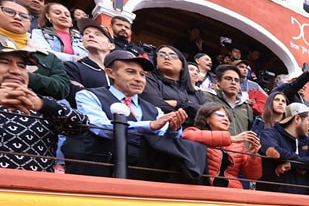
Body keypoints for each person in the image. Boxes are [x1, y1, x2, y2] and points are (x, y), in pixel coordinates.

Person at [71, 50, 191, 177]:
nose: (139, 79)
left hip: (144, 174)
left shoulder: (154, 110)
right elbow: (99, 127)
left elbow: (164, 141)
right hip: (100, 171)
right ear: (110, 73)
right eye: (130, 72)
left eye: (142, 74)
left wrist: (173, 129)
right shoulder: (89, 95)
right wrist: (149, 126)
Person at [0, 38, 87, 171]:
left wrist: (43, 105)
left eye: (22, 66)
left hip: (38, 183)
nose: (16, 71)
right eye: (4, 63)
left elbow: (81, 126)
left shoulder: (42, 103)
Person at [181, 102, 261, 187]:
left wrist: (253, 155)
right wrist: (231, 138)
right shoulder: (194, 132)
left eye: (228, 117)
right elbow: (187, 136)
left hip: (232, 190)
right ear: (207, 119)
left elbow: (253, 176)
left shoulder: (238, 145)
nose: (226, 119)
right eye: (220, 115)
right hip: (203, 188)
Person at [258, 102, 309, 194]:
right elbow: (273, 152)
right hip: (271, 197)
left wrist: (292, 164)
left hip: (301, 199)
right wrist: (302, 162)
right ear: (297, 119)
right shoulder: (270, 133)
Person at [141, 45, 207, 120]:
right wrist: (191, 111)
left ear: (183, 65)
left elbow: (209, 112)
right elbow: (154, 105)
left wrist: (178, 104)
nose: (166, 57)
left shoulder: (196, 91)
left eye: (173, 56)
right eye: (161, 55)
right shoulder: (148, 79)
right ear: (156, 62)